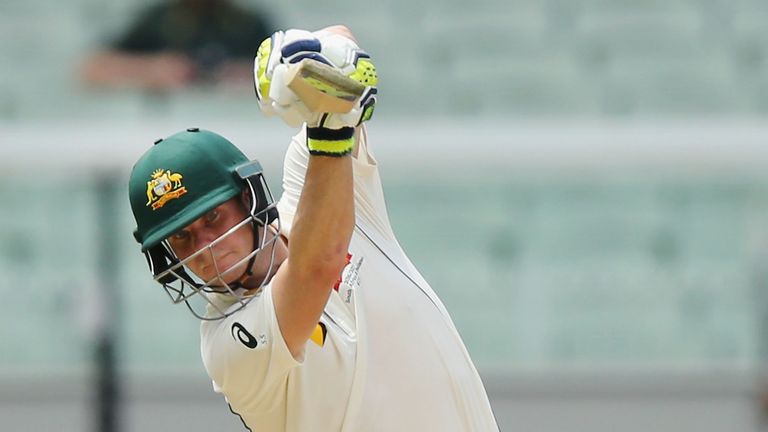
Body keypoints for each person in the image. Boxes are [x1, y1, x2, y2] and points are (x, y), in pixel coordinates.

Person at [128, 25, 499, 431]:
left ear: (248, 196)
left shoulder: (318, 180)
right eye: (181, 237)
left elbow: (342, 41)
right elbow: (316, 267)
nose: (203, 247)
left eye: (213, 217)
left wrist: (297, 59)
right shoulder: (227, 344)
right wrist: (334, 123)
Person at [83, 0, 272, 89]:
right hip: (169, 124)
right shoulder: (160, 21)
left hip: (235, 123)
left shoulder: (248, 24)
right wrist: (152, 69)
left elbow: (290, 70)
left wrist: (248, 74)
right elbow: (93, 68)